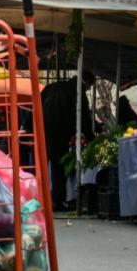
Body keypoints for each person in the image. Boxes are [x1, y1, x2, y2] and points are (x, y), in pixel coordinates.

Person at [40, 75, 94, 211]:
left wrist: (28, 127)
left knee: (42, 166)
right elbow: (85, 117)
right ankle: (58, 201)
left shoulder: (51, 87)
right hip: (60, 133)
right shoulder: (78, 92)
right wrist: (92, 138)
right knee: (58, 168)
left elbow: (35, 104)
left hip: (43, 131)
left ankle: (41, 198)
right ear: (87, 83)